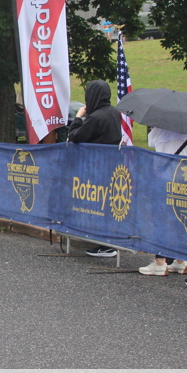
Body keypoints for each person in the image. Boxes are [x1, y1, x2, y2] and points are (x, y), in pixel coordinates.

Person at [68, 80, 123, 256]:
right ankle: (106, 240)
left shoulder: (96, 117)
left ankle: (106, 244)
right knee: (106, 204)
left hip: (97, 167)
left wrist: (78, 118)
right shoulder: (114, 112)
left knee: (100, 205)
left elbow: (75, 136)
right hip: (111, 165)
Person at [138, 127, 187, 275]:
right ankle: (181, 260)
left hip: (166, 176)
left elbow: (152, 141)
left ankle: (160, 262)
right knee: (183, 218)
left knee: (160, 218)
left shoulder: (161, 128)